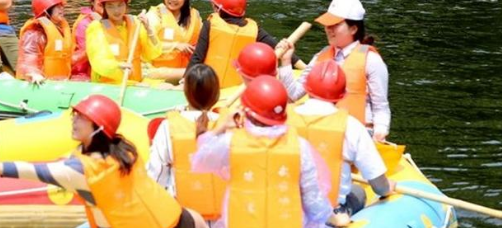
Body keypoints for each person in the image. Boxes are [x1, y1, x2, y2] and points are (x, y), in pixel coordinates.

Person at [0, 94, 208, 228]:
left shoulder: (81, 171)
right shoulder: (125, 148)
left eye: (80, 118)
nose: (73, 120)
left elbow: (33, 170)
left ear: (98, 128)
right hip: (180, 218)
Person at [190, 76, 340, 228]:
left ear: (245, 111)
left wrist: (220, 128)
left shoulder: (231, 142)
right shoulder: (300, 147)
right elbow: (313, 200)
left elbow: (201, 159)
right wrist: (335, 219)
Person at [286, 61, 395, 220]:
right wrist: (387, 189)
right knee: (358, 191)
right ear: (342, 95)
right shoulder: (352, 126)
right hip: (329, 211)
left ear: (307, 88)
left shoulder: (283, 120)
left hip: (287, 207)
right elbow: (378, 185)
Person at [275, 0, 390, 142]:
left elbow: (380, 106)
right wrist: (286, 60)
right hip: (319, 129)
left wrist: (380, 131)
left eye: (335, 25)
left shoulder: (371, 60)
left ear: (353, 29)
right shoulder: (321, 56)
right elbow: (293, 95)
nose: (329, 29)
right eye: (328, 25)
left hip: (355, 135)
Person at [147, 64, 224, 226]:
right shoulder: (229, 127)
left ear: (186, 93)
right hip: (223, 218)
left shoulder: (169, 127)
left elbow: (156, 174)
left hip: (184, 217)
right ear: (216, 94)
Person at [186, 0, 302, 88]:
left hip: (209, 88)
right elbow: (280, 48)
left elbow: (197, 58)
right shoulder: (254, 29)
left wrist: (184, 82)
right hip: (236, 89)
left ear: (218, 9)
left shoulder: (210, 25)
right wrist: (304, 67)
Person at [85, 0, 161, 84]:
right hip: (110, 83)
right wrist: (118, 66)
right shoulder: (96, 28)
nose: (116, 11)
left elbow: (152, 54)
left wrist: (149, 29)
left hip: (135, 81)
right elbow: (99, 62)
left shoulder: (135, 22)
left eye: (120, 5)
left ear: (126, 5)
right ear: (104, 7)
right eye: (110, 6)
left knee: (168, 87)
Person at [144, 0, 203, 78]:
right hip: (159, 71)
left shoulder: (194, 15)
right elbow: (147, 45)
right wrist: (175, 45)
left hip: (187, 68)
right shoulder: (155, 15)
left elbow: (202, 41)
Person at [16, 0, 73, 83]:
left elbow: (67, 58)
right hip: (41, 82)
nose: (61, 9)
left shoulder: (60, 29)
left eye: (61, 6)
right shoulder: (34, 34)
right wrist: (34, 73)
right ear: (46, 11)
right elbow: (29, 58)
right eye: (57, 7)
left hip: (61, 81)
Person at [71, 0, 112, 80]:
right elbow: (93, 54)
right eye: (99, 0)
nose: (103, 3)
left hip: (107, 67)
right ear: (92, 1)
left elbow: (115, 39)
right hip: (84, 74)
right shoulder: (84, 24)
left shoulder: (109, 19)